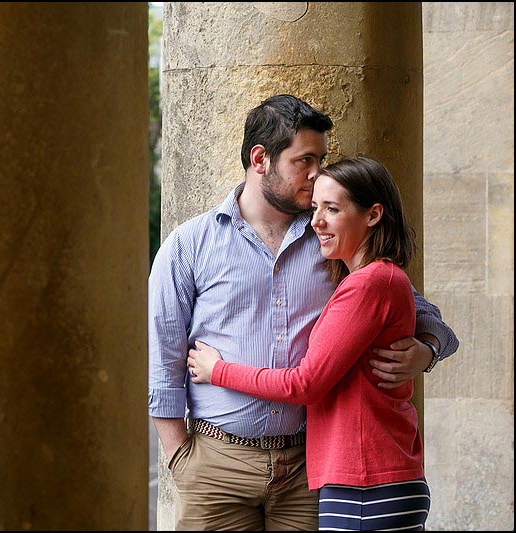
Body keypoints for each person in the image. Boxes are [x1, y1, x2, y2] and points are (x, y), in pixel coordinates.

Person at [148, 95, 458, 531]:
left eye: (322, 159)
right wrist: (182, 458)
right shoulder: (188, 245)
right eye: (305, 160)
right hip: (217, 468)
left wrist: (427, 349)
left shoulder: (333, 238)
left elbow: (418, 310)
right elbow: (162, 356)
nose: (317, 175)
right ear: (261, 159)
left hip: (309, 471)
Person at [187, 156, 436, 531]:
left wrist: (218, 370)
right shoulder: (370, 279)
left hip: (366, 479)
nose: (316, 221)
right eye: (316, 207)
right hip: (364, 476)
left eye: (332, 209)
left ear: (373, 215)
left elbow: (305, 383)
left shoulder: (370, 283)